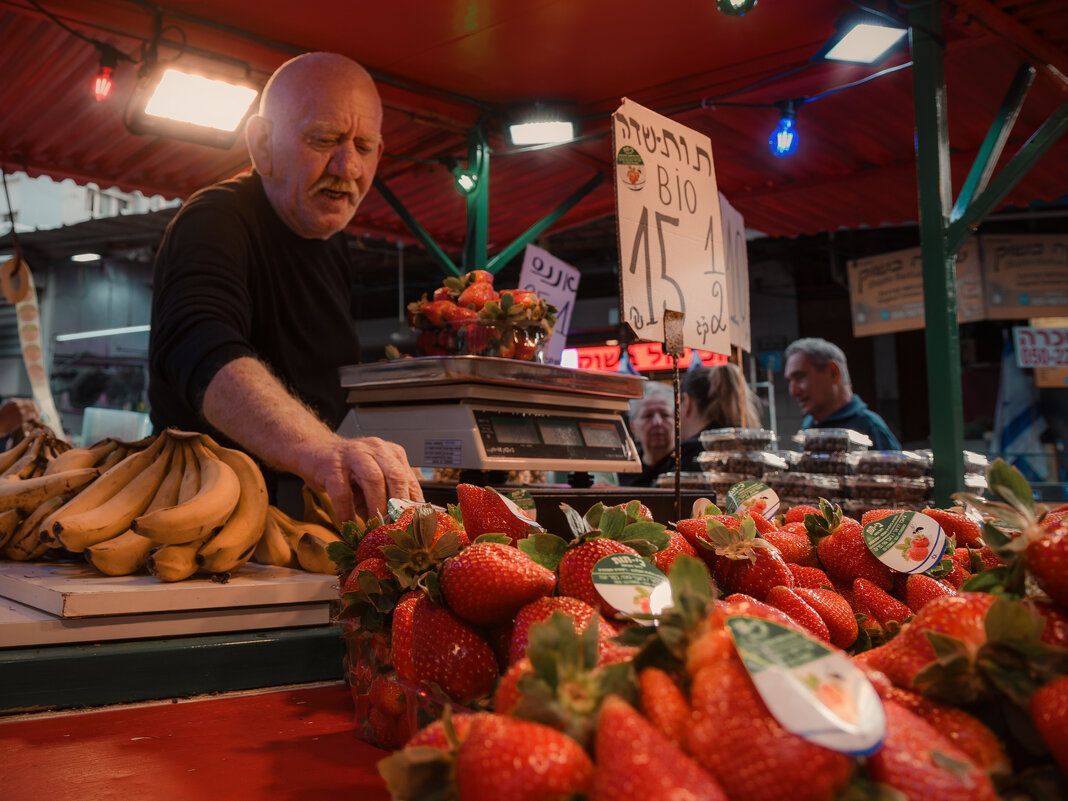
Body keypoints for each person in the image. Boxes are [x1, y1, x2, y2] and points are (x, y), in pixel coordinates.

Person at [148, 52, 422, 524]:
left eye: (365, 145)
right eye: (325, 139)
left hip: (311, 510)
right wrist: (320, 450)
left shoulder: (333, 244)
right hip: (199, 510)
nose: (348, 167)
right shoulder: (214, 219)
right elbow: (201, 347)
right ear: (262, 144)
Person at [784, 337, 900, 450]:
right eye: (790, 381)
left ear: (833, 373)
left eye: (800, 378)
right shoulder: (808, 426)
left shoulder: (871, 428)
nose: (793, 391)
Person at [619, 382, 675, 487]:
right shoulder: (623, 471)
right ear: (632, 425)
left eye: (665, 415)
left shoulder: (685, 466)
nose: (657, 422)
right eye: (648, 416)